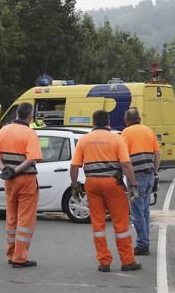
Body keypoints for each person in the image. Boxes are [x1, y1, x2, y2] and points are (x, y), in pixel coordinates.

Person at [70, 110, 142, 273]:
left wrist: (75, 186)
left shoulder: (84, 140)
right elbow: (125, 165)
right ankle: (127, 261)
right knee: (120, 222)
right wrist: (134, 185)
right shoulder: (117, 139)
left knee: (98, 223)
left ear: (93, 123)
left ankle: (104, 262)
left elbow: (74, 166)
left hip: (92, 184)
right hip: (112, 184)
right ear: (108, 122)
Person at [0, 102, 43, 268]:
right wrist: (17, 170)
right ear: (30, 116)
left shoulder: (4, 130)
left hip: (9, 181)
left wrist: (5, 169)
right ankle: (19, 259)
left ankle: (11, 254)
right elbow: (32, 159)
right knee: (25, 220)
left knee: (12, 217)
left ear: (17, 113)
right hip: (26, 180)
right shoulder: (30, 133)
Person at [121, 108, 161, 256]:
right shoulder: (149, 131)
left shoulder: (126, 133)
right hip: (150, 174)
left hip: (136, 177)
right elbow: (157, 154)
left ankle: (143, 245)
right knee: (145, 211)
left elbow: (124, 158)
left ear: (126, 121)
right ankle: (145, 242)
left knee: (137, 213)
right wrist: (155, 172)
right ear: (139, 119)